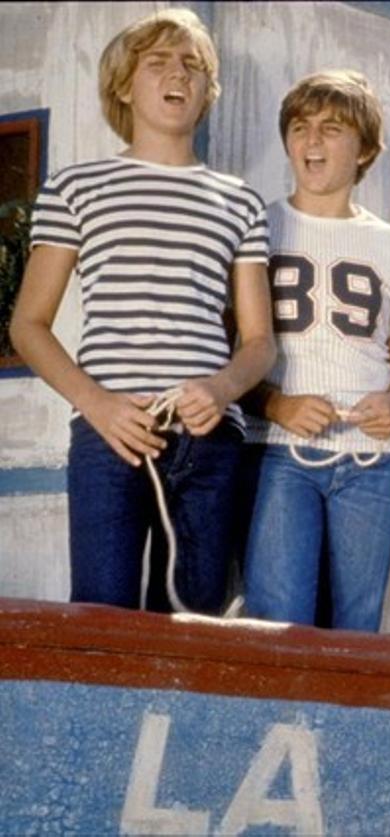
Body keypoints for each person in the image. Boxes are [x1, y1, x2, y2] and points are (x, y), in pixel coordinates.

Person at [8, 8, 275, 614]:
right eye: (157, 62)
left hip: (207, 441)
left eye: (192, 65)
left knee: (195, 620)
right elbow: (28, 324)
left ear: (207, 90)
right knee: (100, 619)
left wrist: (222, 387)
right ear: (125, 85)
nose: (176, 74)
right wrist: (96, 404)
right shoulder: (76, 187)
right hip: (111, 437)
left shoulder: (240, 202)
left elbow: (260, 342)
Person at [239, 71, 390, 632]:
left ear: (365, 147)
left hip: (374, 460)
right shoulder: (258, 226)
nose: (313, 141)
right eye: (300, 127)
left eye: (332, 128)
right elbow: (226, 352)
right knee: (279, 620)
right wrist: (277, 406)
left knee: (356, 625)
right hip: (280, 450)